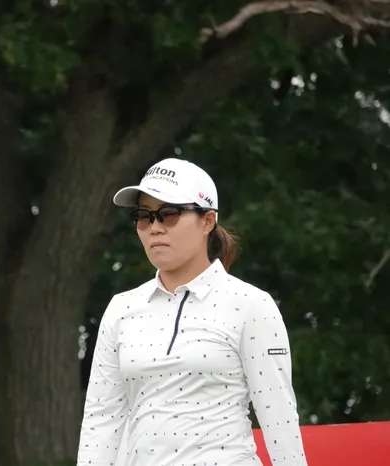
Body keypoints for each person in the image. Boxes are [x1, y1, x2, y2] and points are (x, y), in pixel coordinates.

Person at [77, 158, 307, 466]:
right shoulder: (122, 308)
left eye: (169, 214)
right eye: (143, 216)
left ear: (207, 221)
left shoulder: (250, 304)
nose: (155, 227)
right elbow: (102, 421)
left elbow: (279, 420)